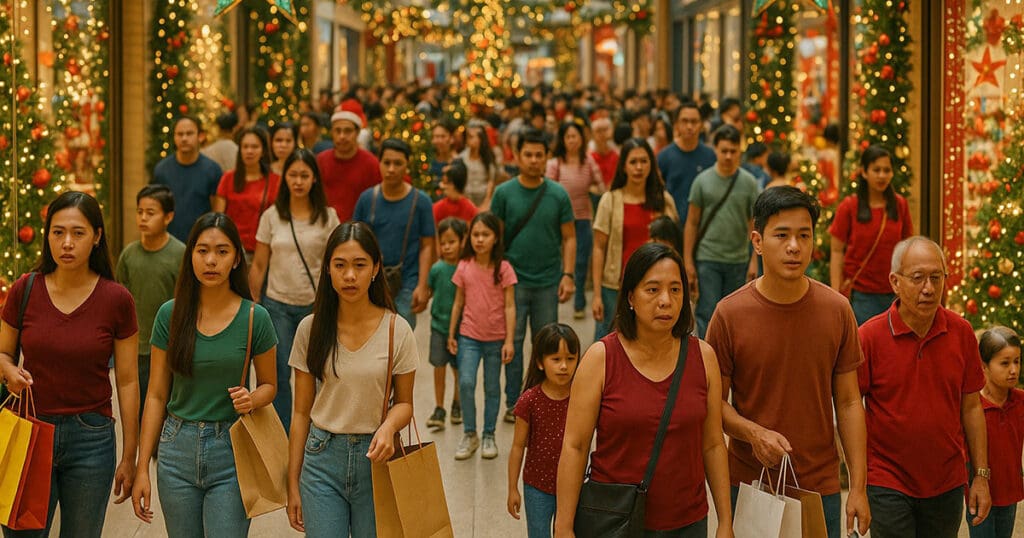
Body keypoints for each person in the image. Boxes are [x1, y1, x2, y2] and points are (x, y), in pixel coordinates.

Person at [705, 186, 870, 538]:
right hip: (751, 483)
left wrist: (857, 486)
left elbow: (850, 401)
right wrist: (754, 433)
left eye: (804, 236)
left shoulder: (837, 310)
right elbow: (712, 403)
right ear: (758, 241)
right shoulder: (729, 314)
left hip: (820, 484)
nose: (794, 246)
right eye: (782, 235)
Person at [556, 243, 733, 537]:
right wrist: (563, 526)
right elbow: (575, 446)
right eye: (652, 290)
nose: (666, 300)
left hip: (687, 522)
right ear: (630, 298)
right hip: (615, 521)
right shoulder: (601, 358)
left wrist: (725, 521)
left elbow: (713, 444)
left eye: (676, 290)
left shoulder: (703, 357)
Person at [0, 191, 139, 538]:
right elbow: (3, 354)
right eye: (58, 232)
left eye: (78, 233)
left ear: (97, 236)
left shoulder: (116, 299)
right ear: (47, 236)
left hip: (91, 437)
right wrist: (9, 371)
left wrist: (130, 455)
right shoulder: (26, 289)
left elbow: (127, 381)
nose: (66, 243)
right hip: (29, 428)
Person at [131, 213, 278, 537]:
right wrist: (142, 468)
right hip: (176, 449)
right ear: (191, 255)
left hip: (232, 449)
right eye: (202, 250)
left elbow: (270, 386)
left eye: (222, 251)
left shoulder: (256, 317)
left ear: (237, 258)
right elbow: (156, 395)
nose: (211, 260)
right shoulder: (170, 315)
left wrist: (251, 398)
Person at [286, 222, 417, 537]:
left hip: (376, 459)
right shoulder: (310, 329)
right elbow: (301, 412)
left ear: (375, 269)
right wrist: (292, 483)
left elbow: (405, 404)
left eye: (359, 265)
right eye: (340, 265)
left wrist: (388, 427)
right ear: (328, 270)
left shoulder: (396, 330)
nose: (349, 276)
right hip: (321, 460)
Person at [858, 236, 990, 537]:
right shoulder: (869, 337)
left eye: (936, 278)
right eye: (918, 278)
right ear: (895, 281)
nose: (929, 288)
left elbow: (971, 408)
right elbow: (851, 408)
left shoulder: (961, 332)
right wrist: (857, 484)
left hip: (946, 478)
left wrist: (981, 475)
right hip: (886, 477)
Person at [249, 149, 340, 431]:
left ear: (314, 179)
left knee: (316, 372)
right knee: (277, 374)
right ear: (284, 177)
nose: (298, 181)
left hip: (315, 306)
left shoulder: (328, 216)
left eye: (304, 175)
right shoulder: (272, 216)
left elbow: (334, 263)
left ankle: (315, 429)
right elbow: (260, 263)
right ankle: (284, 433)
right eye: (293, 175)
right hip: (276, 305)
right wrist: (254, 304)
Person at [491, 129, 576, 423]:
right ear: (516, 156)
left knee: (547, 346)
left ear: (546, 157)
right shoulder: (503, 193)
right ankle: (514, 401)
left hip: (548, 281)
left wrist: (568, 274)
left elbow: (569, 238)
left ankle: (541, 399)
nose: (533, 160)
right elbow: (495, 237)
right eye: (528, 154)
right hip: (513, 282)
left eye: (539, 155)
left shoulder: (558, 194)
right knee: (511, 343)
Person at [591, 138, 678, 341]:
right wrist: (596, 294)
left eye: (644, 161)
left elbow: (674, 247)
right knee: (611, 341)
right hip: (615, 285)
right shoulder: (610, 200)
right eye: (633, 162)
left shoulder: (664, 201)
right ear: (623, 166)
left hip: (655, 286)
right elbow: (598, 247)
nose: (639, 167)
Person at [448, 212, 518, 460]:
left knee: (491, 387)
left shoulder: (505, 269)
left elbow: (510, 306)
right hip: (468, 336)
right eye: (476, 234)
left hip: (495, 338)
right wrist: (451, 333)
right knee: (466, 383)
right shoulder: (464, 266)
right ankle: (470, 433)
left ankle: (489, 434)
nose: (479, 240)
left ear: (495, 238)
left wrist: (509, 340)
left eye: (485, 235)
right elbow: (458, 302)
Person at [116, 185, 186, 417]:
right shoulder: (129, 254)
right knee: (140, 407)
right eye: (140, 211)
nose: (143, 218)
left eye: (151, 212)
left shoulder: (180, 253)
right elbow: (120, 299)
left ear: (168, 217)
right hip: (137, 346)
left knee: (167, 406)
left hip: (169, 345)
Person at [684, 125, 760, 337]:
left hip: (737, 260)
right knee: (707, 312)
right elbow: (692, 222)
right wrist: (688, 260)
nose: (728, 156)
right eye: (724, 150)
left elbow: (753, 225)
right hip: (707, 258)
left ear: (739, 152)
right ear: (715, 150)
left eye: (733, 151)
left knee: (735, 314)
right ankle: (706, 359)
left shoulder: (748, 183)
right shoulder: (702, 181)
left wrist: (754, 259)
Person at [353, 138, 435, 328]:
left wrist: (423, 285)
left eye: (398, 163)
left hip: (407, 282)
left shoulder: (420, 201)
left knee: (401, 338)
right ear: (379, 163)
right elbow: (355, 242)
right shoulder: (367, 199)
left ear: (407, 165)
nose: (391, 169)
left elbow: (427, 245)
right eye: (386, 163)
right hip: (371, 282)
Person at [507, 323, 580, 537]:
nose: (564, 366)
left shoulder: (582, 397)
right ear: (540, 362)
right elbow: (518, 447)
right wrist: (512, 488)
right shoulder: (530, 400)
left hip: (574, 484)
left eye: (570, 358)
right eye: (556, 359)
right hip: (536, 487)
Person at [829, 145, 913, 325]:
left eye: (886, 170)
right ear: (864, 173)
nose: (882, 175)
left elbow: (908, 248)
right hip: (861, 296)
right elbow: (836, 251)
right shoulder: (849, 206)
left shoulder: (900, 205)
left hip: (894, 293)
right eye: (876, 170)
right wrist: (836, 292)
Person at [546, 121, 606, 320]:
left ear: (581, 139)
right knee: (559, 261)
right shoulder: (555, 164)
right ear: (563, 140)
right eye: (568, 136)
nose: (572, 140)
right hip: (557, 221)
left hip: (582, 219)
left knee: (581, 262)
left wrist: (596, 193)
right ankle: (554, 297)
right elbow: (547, 190)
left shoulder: (588, 162)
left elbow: (602, 186)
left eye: (575, 136)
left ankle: (579, 302)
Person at [970, 327, 1024, 538]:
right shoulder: (973, 407)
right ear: (984, 366)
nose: (1013, 370)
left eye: (1017, 361)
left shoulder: (1020, 402)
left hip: (1010, 491)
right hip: (979, 494)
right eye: (1004, 363)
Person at [212, 126, 281, 257]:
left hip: (263, 250)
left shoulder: (275, 181)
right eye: (245, 147)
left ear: (263, 151)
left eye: (255, 147)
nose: (249, 151)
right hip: (231, 249)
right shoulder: (228, 178)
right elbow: (218, 218)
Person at [152, 115, 223, 242]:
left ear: (200, 136)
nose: (184, 138)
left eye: (189, 133)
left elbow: (217, 211)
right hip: (167, 242)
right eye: (180, 134)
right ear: (174, 137)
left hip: (201, 242)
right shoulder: (162, 170)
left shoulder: (213, 170)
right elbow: (156, 207)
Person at [426, 217, 467, 430]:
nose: (447, 247)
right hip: (438, 328)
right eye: (443, 243)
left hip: (462, 329)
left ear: (462, 241)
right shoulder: (437, 269)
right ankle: (439, 407)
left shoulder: (466, 267)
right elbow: (430, 290)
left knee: (459, 368)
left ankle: (457, 403)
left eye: (452, 241)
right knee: (438, 366)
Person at [315, 104, 382, 222]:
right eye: (338, 131)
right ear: (332, 133)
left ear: (357, 133)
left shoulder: (372, 164)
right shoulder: (320, 161)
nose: (342, 136)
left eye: (348, 131)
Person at [657, 102, 716, 223]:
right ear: (676, 125)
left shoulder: (711, 156)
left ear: (701, 125)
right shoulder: (664, 156)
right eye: (685, 121)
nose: (689, 126)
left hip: (704, 226)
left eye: (694, 122)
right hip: (672, 225)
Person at [459, 124, 501, 209]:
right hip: (467, 198)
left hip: (484, 199)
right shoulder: (462, 157)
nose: (470, 140)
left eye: (473, 137)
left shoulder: (488, 157)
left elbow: (491, 181)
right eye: (469, 137)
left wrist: (486, 202)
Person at [433, 159, 478, 225]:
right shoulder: (438, 208)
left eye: (445, 183)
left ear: (452, 184)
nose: (441, 186)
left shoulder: (470, 210)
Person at [589, 117, 619, 189]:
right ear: (592, 134)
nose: (602, 134)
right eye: (598, 131)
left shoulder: (617, 155)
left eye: (605, 130)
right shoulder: (588, 157)